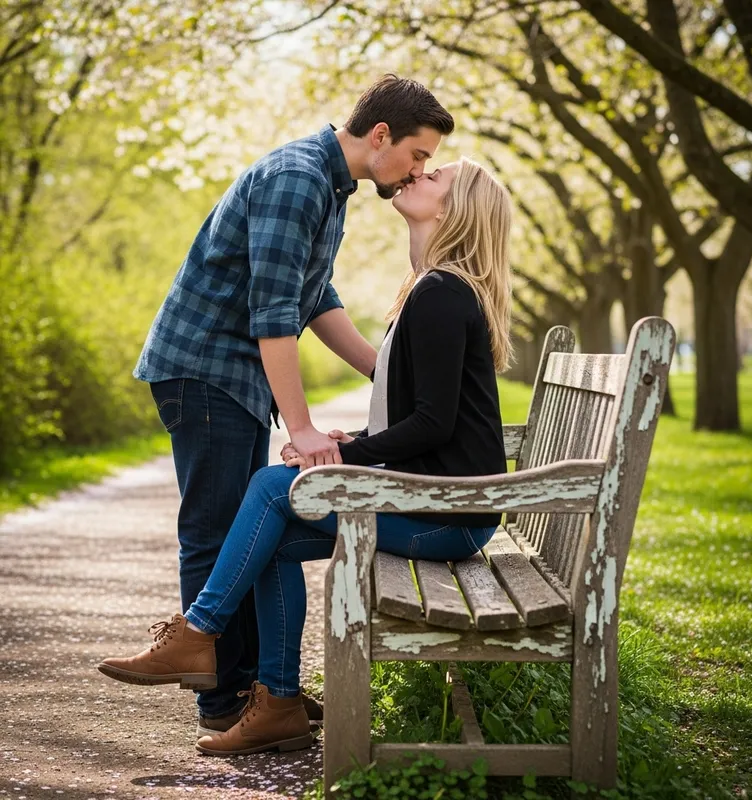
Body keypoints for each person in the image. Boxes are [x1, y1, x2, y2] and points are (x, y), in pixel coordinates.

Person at [100, 156, 513, 757]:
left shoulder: (443, 293)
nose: (416, 175)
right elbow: (427, 418)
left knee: (275, 487)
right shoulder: (431, 289)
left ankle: (201, 631)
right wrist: (350, 445)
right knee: (275, 535)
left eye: (434, 177)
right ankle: (278, 703)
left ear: (455, 209)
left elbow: (433, 423)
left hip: (451, 516)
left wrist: (349, 457)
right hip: (440, 504)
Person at [131, 74, 454, 737]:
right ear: (382, 135)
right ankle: (223, 702)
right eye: (419, 155)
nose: (420, 169)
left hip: (231, 377)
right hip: (205, 369)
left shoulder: (332, 187)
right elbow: (274, 314)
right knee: (216, 532)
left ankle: (257, 689)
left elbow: (315, 297)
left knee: (245, 529)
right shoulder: (299, 177)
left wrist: (381, 369)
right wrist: (302, 426)